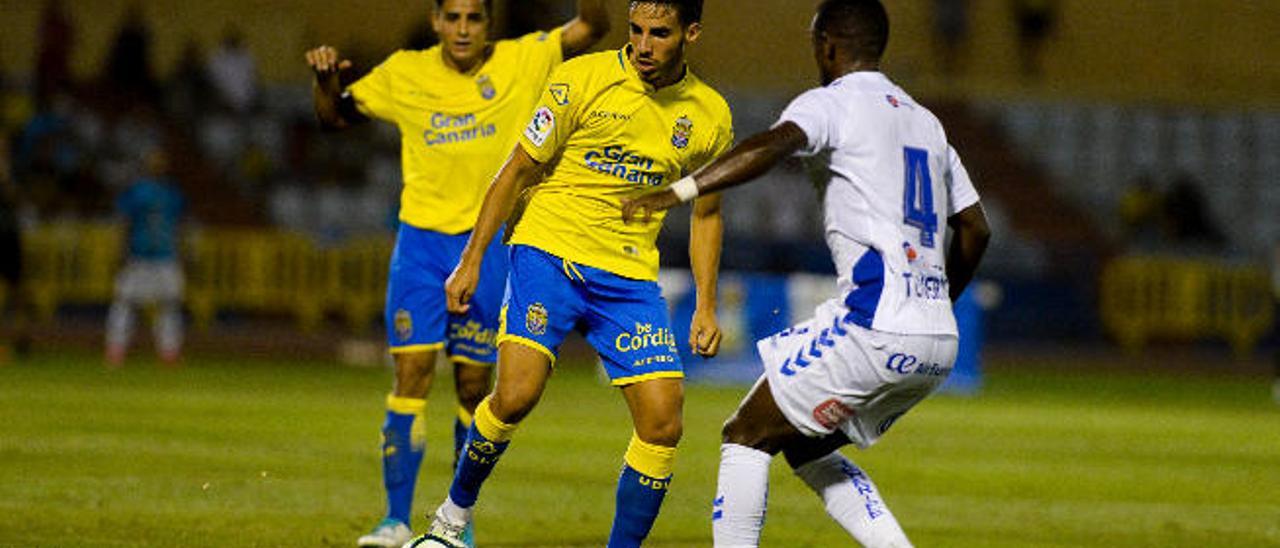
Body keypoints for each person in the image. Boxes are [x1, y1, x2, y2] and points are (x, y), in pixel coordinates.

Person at [622, 1, 991, 545]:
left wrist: (680, 190)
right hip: (937, 339)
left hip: (875, 323)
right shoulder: (926, 122)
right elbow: (976, 229)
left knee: (744, 434)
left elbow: (772, 145)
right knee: (805, 443)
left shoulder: (832, 103)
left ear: (827, 45)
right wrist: (931, 306)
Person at [416, 1, 733, 546]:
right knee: (516, 394)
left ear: (693, 34)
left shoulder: (710, 115)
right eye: (636, 31)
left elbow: (707, 213)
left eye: (660, 33)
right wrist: (471, 259)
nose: (643, 45)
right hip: (549, 251)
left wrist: (706, 304)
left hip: (629, 278)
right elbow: (516, 169)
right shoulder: (581, 78)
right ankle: (450, 519)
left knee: (663, 422)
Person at [304, 1, 610, 545]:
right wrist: (325, 82)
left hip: (486, 248)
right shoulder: (405, 71)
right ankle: (396, 520)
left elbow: (592, 26)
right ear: (436, 21)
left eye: (474, 18)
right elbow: (335, 117)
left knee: (474, 385)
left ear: (490, 23)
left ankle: (455, 522)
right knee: (411, 377)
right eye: (454, 17)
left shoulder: (526, 57)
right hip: (418, 247)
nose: (463, 29)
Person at [105, 149, 187, 368]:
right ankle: (116, 349)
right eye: (153, 161)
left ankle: (169, 351)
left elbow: (178, 226)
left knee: (169, 305)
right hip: (139, 255)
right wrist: (120, 251)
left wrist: (182, 253)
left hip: (165, 256)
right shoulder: (136, 191)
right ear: (146, 165)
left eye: (160, 160)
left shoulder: (173, 192)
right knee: (124, 302)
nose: (157, 164)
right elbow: (124, 222)